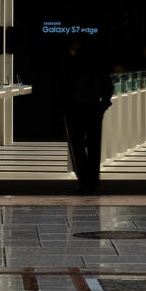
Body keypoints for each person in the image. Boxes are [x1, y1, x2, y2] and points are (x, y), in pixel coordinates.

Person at [56, 38, 113, 194]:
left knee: (77, 147)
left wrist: (63, 109)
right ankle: (93, 180)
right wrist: (104, 104)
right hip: (94, 109)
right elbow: (108, 86)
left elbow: (61, 90)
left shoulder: (68, 65)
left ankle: (83, 180)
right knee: (94, 146)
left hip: (73, 111)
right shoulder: (98, 65)